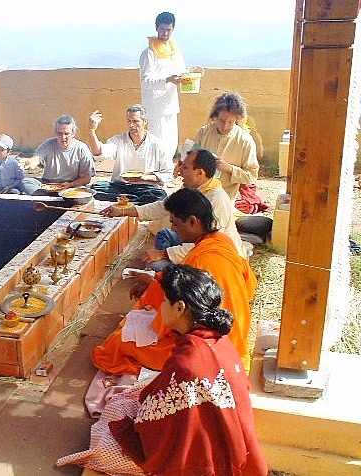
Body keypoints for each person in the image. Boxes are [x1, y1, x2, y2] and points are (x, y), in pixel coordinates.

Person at [109, 265, 269, 476]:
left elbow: (151, 420)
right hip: (238, 451)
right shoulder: (220, 340)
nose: (161, 306)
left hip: (213, 464)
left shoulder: (188, 362)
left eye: (164, 301)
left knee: (112, 417)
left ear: (179, 308)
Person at [91, 188, 257, 376]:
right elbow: (249, 285)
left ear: (193, 221)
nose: (173, 229)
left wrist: (154, 288)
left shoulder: (204, 259)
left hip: (211, 343)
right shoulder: (222, 240)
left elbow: (183, 312)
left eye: (175, 224)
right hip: (233, 331)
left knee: (117, 346)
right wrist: (154, 284)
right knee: (141, 314)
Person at [102, 148, 245, 264]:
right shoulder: (191, 189)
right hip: (195, 243)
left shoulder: (217, 199)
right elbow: (162, 207)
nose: (180, 171)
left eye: (185, 167)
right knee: (164, 235)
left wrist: (163, 253)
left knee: (156, 265)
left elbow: (208, 245)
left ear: (199, 173)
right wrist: (123, 211)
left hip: (216, 256)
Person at [88, 105, 174, 205]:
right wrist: (91, 131)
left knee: (160, 195)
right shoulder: (118, 140)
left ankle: (126, 202)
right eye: (129, 121)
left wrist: (143, 178)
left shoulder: (158, 144)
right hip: (121, 186)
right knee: (96, 187)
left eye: (135, 121)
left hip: (146, 187)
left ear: (145, 122)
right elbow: (98, 152)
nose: (131, 125)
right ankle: (134, 202)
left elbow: (167, 174)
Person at [193, 92, 259, 203]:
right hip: (197, 195)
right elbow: (190, 158)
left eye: (230, 122)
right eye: (222, 121)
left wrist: (229, 168)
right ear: (215, 117)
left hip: (224, 200)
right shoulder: (203, 133)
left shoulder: (245, 141)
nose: (225, 127)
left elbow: (251, 176)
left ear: (237, 119)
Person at [139, 12, 186, 159]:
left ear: (173, 29)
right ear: (156, 28)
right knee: (157, 144)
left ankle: (166, 171)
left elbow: (181, 71)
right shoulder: (149, 53)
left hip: (171, 104)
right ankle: (155, 171)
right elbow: (146, 80)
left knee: (171, 143)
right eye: (162, 29)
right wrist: (167, 80)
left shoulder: (174, 50)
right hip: (155, 107)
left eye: (169, 30)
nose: (165, 33)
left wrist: (192, 72)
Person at [18, 114, 96, 194]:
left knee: (83, 191)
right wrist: (29, 162)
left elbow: (86, 179)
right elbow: (36, 159)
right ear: (56, 133)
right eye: (60, 133)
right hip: (48, 183)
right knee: (27, 182)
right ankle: (45, 196)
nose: (63, 137)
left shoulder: (82, 148)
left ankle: (46, 197)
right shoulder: (48, 144)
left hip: (71, 185)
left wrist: (70, 185)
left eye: (66, 134)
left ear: (73, 133)